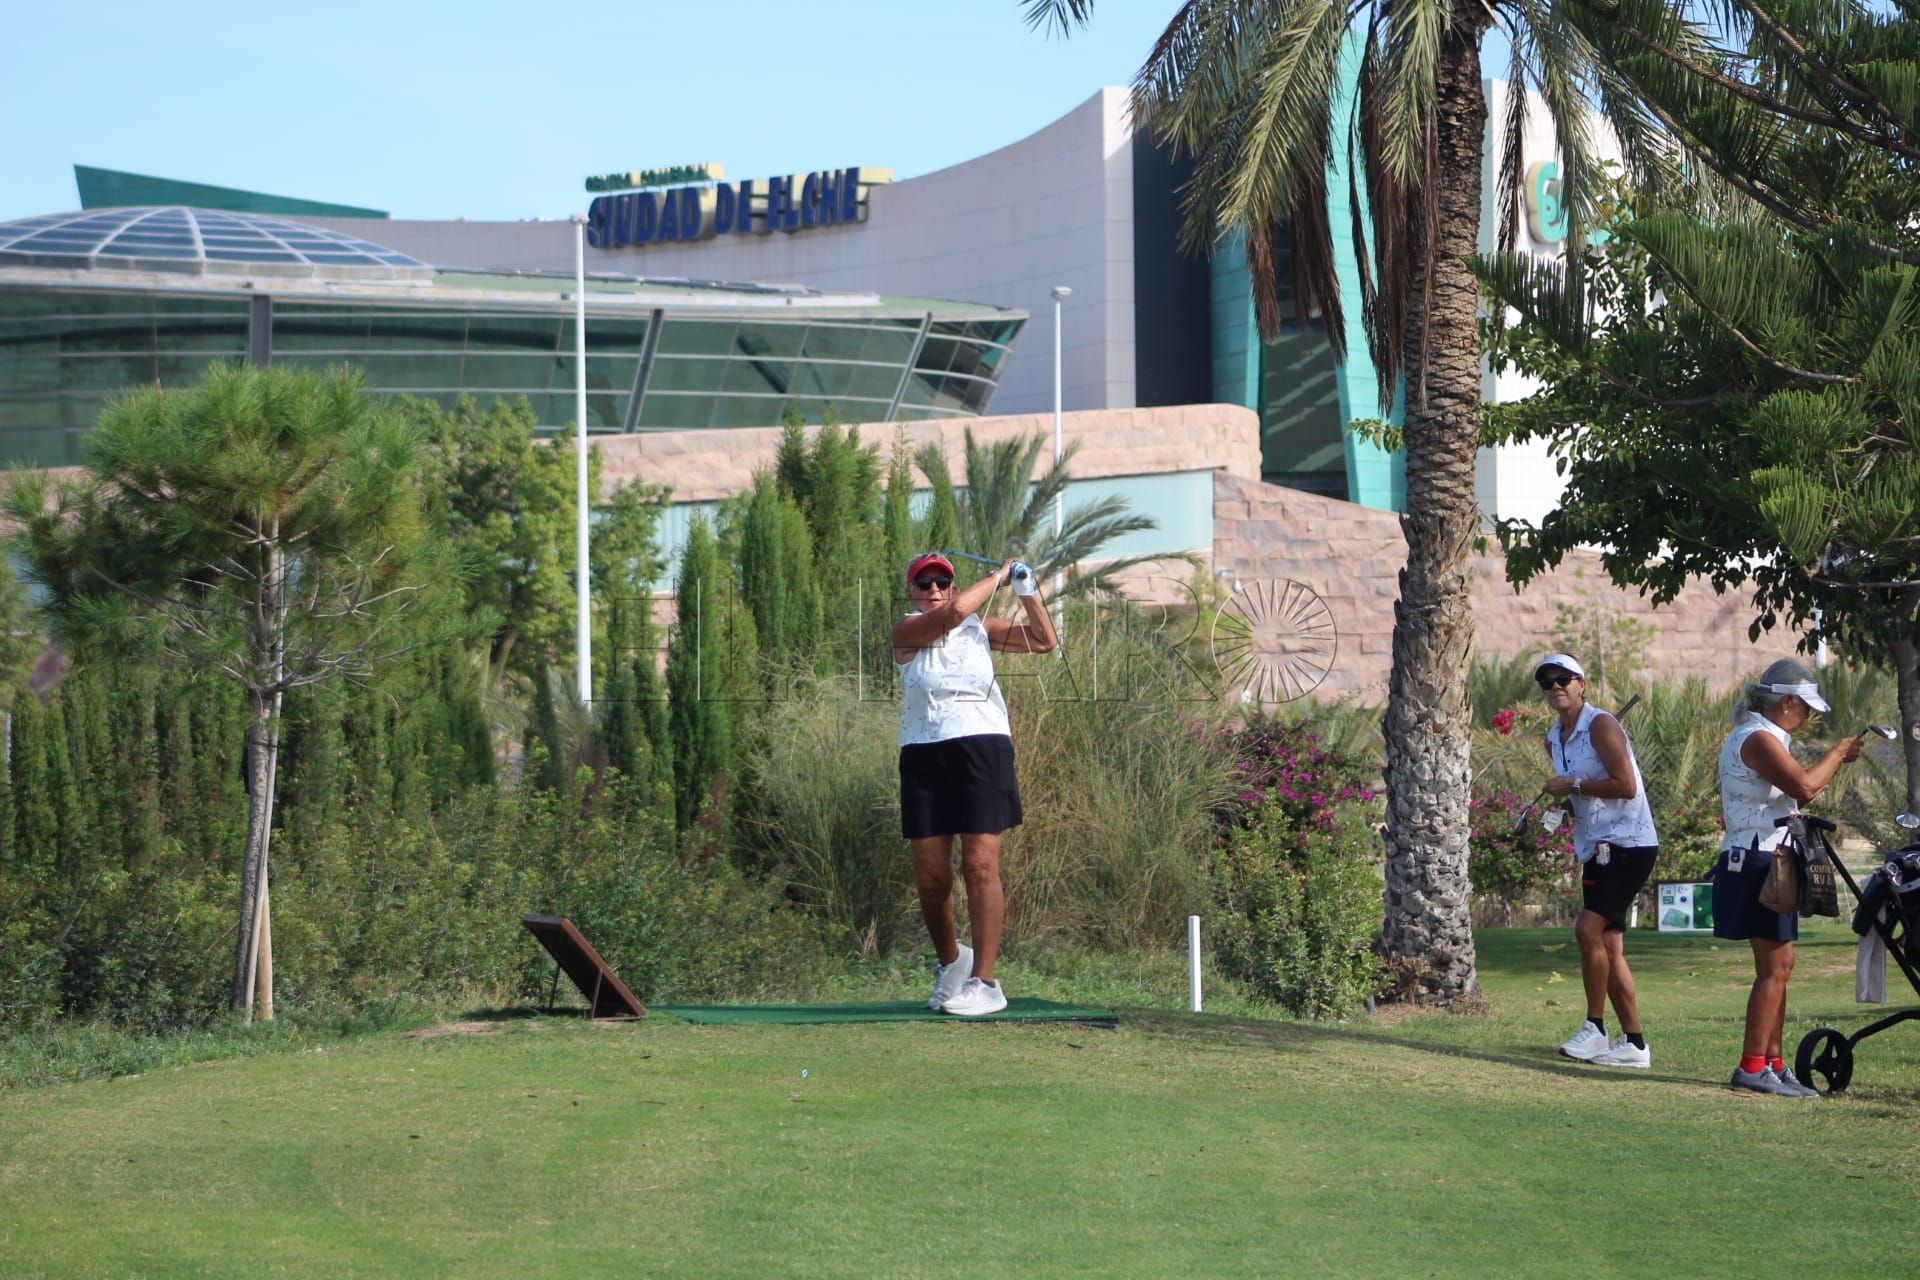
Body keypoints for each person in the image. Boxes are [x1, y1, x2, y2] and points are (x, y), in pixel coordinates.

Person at [891, 552, 1057, 1017]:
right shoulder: (906, 630)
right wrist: (999, 575)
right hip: (923, 751)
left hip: (982, 745)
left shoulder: (978, 627)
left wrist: (1025, 590)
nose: (934, 589)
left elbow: (1044, 641)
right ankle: (953, 962)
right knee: (931, 878)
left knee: (980, 865)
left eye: (942, 582)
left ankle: (985, 982)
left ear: (951, 585)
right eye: (924, 583)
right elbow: (954, 612)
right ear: (910, 591)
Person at [1715, 657, 1864, 1096]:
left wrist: (1834, 761)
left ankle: (1773, 1064)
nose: (1807, 718)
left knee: (1779, 967)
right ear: (1786, 703)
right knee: (1775, 968)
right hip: (1758, 860)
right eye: (1805, 709)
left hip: (1763, 858)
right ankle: (1752, 1067)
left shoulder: (1761, 735)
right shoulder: (1758, 737)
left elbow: (1795, 791)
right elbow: (1804, 786)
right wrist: (1836, 754)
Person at [1535, 654, 1662, 1069]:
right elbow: (1584, 797)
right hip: (1595, 847)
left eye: (1564, 679)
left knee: (1587, 928)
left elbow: (1626, 786)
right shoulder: (1554, 738)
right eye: (1547, 681)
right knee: (1608, 944)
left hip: (1630, 843)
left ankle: (1595, 1028)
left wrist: (1572, 784)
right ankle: (1635, 1044)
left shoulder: (1601, 725)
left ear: (1582, 684)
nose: (1556, 686)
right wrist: (1563, 806)